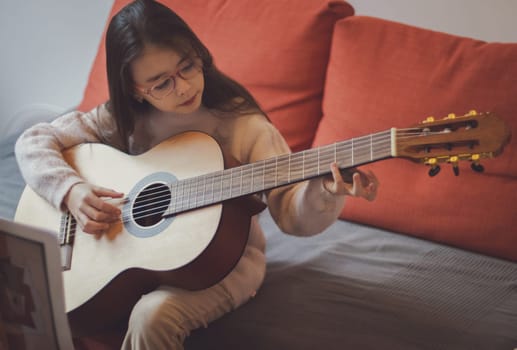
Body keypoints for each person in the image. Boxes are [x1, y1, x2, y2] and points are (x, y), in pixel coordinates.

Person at [15, 0, 378, 349]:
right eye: (161, 83)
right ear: (133, 91)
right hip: (137, 260)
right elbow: (32, 142)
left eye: (187, 66)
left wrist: (326, 192)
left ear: (198, 52)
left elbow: (291, 216)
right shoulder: (120, 121)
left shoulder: (244, 127)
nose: (184, 86)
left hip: (225, 265)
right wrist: (71, 191)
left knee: (150, 317)